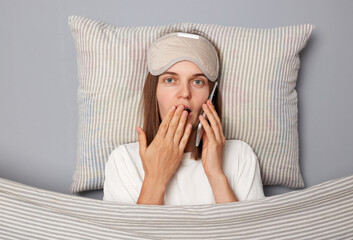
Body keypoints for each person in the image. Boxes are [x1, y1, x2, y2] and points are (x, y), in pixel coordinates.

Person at [103, 32, 265, 205]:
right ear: (154, 93)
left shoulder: (241, 156)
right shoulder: (124, 161)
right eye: (170, 80)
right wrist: (155, 178)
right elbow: (130, 233)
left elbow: (248, 233)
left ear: (211, 96)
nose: (185, 93)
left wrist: (216, 175)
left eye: (197, 82)